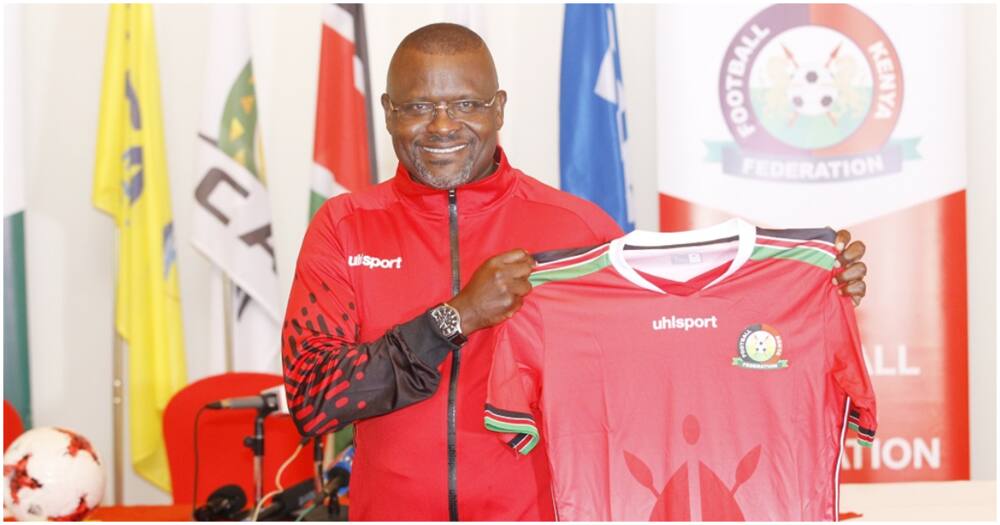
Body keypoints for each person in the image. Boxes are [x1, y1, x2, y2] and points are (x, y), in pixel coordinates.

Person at [281, 23, 869, 521]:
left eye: (465, 104)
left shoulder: (576, 229)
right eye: (417, 106)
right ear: (387, 113)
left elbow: (676, 360)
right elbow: (312, 398)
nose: (440, 126)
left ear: (500, 108)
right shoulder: (344, 226)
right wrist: (456, 317)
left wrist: (810, 294)